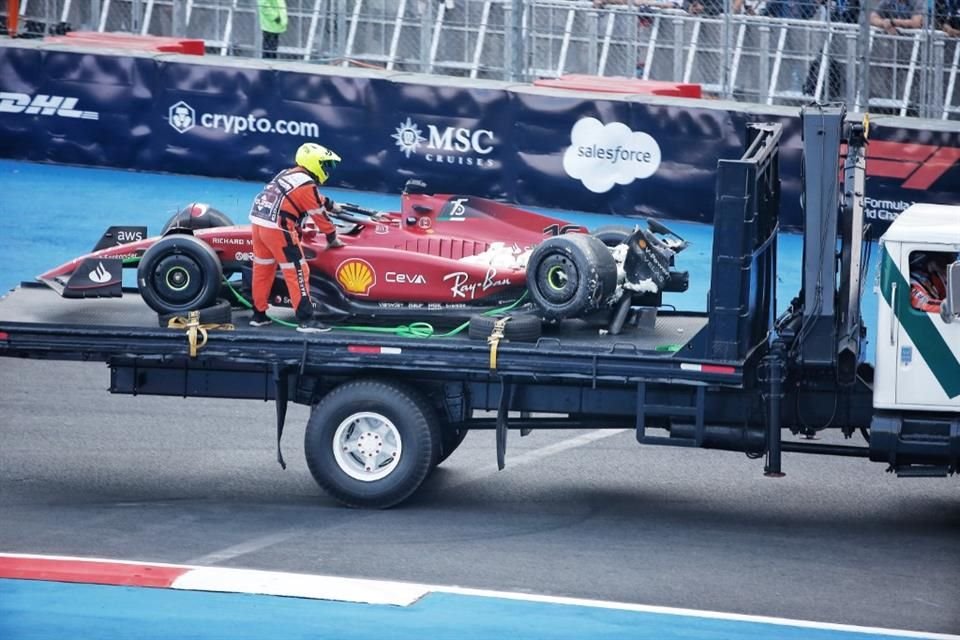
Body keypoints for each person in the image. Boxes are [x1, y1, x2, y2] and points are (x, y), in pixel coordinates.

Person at [248, 143, 345, 332]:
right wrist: (332, 237)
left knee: (263, 270)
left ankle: (258, 315)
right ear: (314, 163)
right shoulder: (306, 184)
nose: (326, 170)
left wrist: (331, 204)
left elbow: (307, 198)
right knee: (298, 271)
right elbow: (319, 214)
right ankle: (306, 320)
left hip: (259, 224)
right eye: (324, 165)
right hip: (279, 230)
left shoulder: (287, 174)